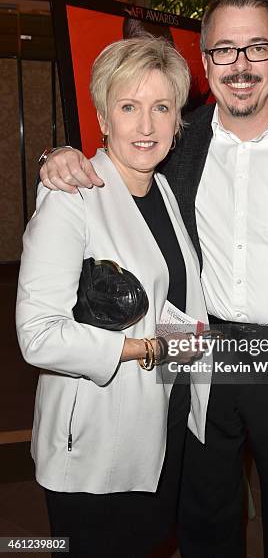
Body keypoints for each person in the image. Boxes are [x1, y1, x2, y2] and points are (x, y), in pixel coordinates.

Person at [38, 0, 268, 558]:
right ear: (205, 62)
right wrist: (54, 156)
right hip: (203, 354)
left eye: (257, 48)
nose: (241, 65)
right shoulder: (181, 138)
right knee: (203, 516)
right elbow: (117, 153)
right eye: (225, 50)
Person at [16, 36, 211, 558]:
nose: (146, 126)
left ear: (177, 121)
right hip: (94, 441)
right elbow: (37, 337)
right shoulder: (71, 197)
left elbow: (173, 299)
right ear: (104, 117)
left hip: (159, 424)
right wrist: (143, 349)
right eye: (129, 107)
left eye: (161, 107)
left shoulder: (164, 191)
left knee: (148, 544)